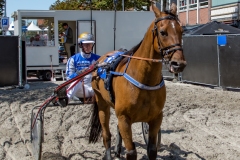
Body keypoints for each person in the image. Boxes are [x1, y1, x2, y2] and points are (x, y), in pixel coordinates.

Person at [66, 32, 100, 101]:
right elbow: (69, 78)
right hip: (82, 90)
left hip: (96, 89)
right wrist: (80, 73)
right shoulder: (73, 59)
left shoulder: (98, 58)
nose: (88, 46)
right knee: (76, 82)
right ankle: (66, 99)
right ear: (80, 45)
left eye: (90, 44)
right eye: (85, 44)